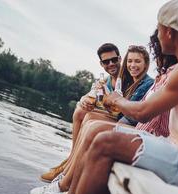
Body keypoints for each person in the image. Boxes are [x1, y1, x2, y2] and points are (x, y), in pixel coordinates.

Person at [61, 0, 178, 194]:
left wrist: (116, 99)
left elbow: (142, 113)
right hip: (176, 149)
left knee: (105, 143)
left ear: (169, 32)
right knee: (99, 130)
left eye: (159, 30)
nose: (158, 36)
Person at [29, 30, 178, 194]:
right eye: (130, 61)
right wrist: (88, 99)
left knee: (93, 124)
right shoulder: (128, 79)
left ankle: (65, 181)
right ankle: (68, 166)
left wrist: (112, 102)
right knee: (83, 114)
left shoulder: (145, 82)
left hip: (133, 125)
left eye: (137, 61)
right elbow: (105, 98)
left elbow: (130, 114)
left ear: (145, 63)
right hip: (129, 121)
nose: (132, 65)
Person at [40, 43, 153, 183]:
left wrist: (107, 100)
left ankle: (69, 171)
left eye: (114, 60)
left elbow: (125, 110)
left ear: (119, 59)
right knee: (81, 112)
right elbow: (92, 95)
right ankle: (71, 159)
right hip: (119, 115)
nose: (111, 64)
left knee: (90, 119)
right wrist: (85, 100)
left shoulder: (131, 77)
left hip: (125, 119)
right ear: (102, 64)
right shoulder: (106, 80)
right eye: (106, 61)